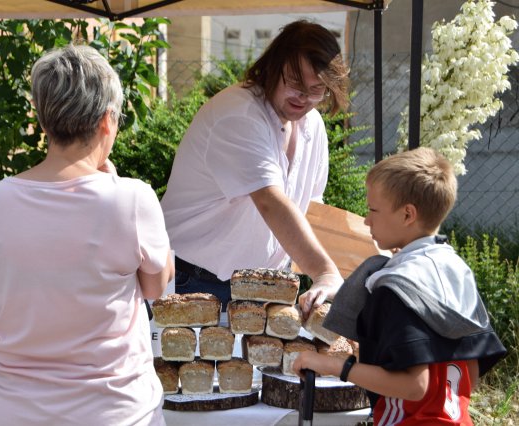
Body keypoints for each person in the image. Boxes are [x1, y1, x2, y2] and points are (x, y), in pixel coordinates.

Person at [0, 44, 174, 426]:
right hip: (114, 413)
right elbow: (155, 287)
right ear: (108, 121)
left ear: (44, 122)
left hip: (8, 412)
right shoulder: (131, 198)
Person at [293, 147, 506, 425]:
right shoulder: (455, 270)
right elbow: (472, 371)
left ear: (407, 215)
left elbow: (414, 387)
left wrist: (333, 365)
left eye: (373, 210)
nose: (367, 219)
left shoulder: (398, 288)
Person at [160, 20, 349, 316]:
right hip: (194, 280)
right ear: (272, 69)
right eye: (296, 84)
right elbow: (271, 203)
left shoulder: (313, 125)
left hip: (263, 286)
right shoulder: (239, 115)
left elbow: (311, 209)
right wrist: (325, 271)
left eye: (317, 90)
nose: (304, 98)